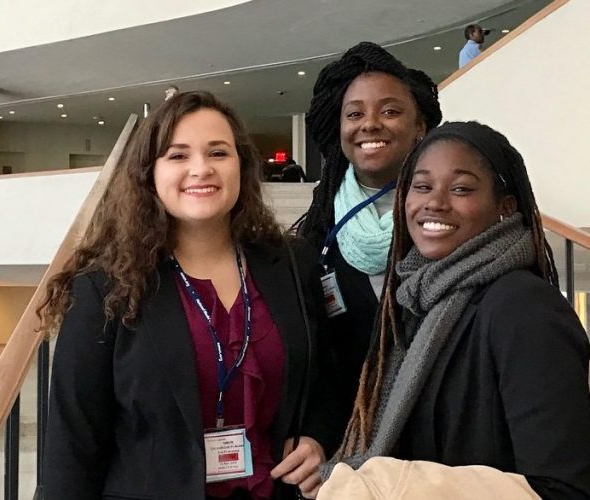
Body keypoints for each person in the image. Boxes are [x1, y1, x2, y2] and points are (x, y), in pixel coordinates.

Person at [40, 91, 342, 500]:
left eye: (218, 152)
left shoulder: (291, 264)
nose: (201, 169)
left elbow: (329, 376)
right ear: (149, 173)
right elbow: (73, 443)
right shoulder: (105, 286)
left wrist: (318, 439)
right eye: (178, 156)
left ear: (242, 166)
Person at [318, 121, 590, 499]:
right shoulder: (416, 302)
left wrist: (392, 486)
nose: (435, 202)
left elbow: (563, 489)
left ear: (505, 207)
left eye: (461, 188)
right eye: (422, 186)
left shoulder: (525, 309)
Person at [298, 41, 442, 448]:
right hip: (344, 435)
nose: (370, 124)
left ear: (421, 127)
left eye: (390, 111)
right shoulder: (320, 224)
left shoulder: (447, 217)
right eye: (355, 113)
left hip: (435, 434)